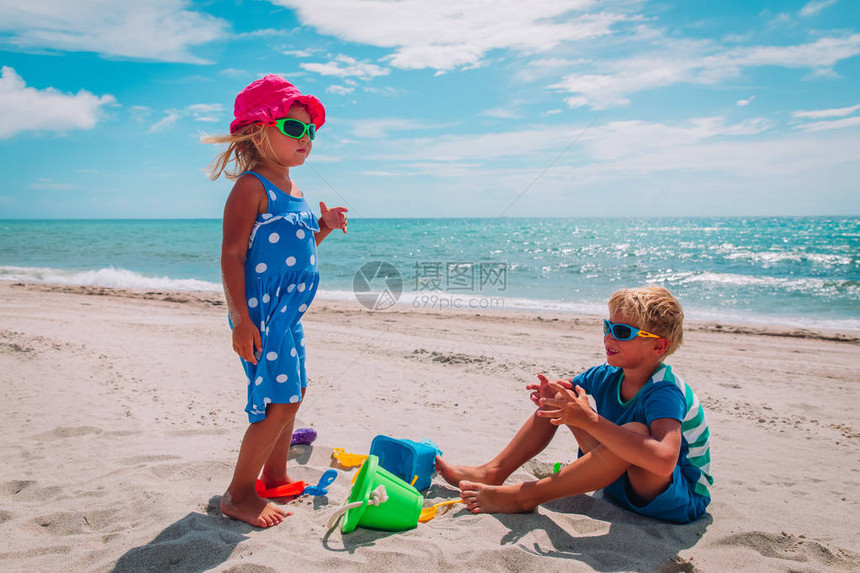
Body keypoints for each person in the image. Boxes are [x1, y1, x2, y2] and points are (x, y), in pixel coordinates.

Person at [436, 286, 712, 524]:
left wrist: (589, 421)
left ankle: (528, 496)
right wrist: (550, 393)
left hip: (674, 498)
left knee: (637, 431)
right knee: (562, 399)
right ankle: (494, 472)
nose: (609, 337)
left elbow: (664, 462)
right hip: (616, 481)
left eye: (622, 331)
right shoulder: (607, 374)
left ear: (658, 347)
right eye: (607, 327)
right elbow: (565, 390)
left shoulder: (664, 391)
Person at [203, 75, 348, 527]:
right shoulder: (252, 186)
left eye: (311, 131)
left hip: (288, 315)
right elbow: (232, 255)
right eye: (293, 128)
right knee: (278, 400)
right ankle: (238, 494)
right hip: (261, 315)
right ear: (258, 131)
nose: (306, 138)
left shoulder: (296, 192)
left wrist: (321, 227)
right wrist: (241, 320)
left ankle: (276, 473)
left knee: (296, 390)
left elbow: (290, 254)